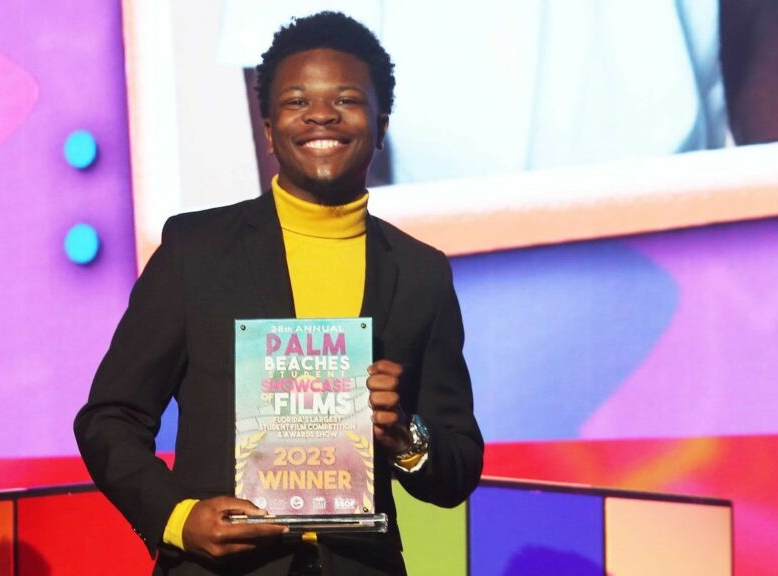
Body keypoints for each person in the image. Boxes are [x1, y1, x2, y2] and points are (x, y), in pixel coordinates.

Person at [75, 12, 483, 575]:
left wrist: (405, 435)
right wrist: (177, 518)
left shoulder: (420, 273)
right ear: (267, 128)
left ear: (381, 122)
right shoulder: (196, 251)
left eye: (345, 99)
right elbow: (110, 418)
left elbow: (458, 465)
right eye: (296, 101)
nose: (321, 114)